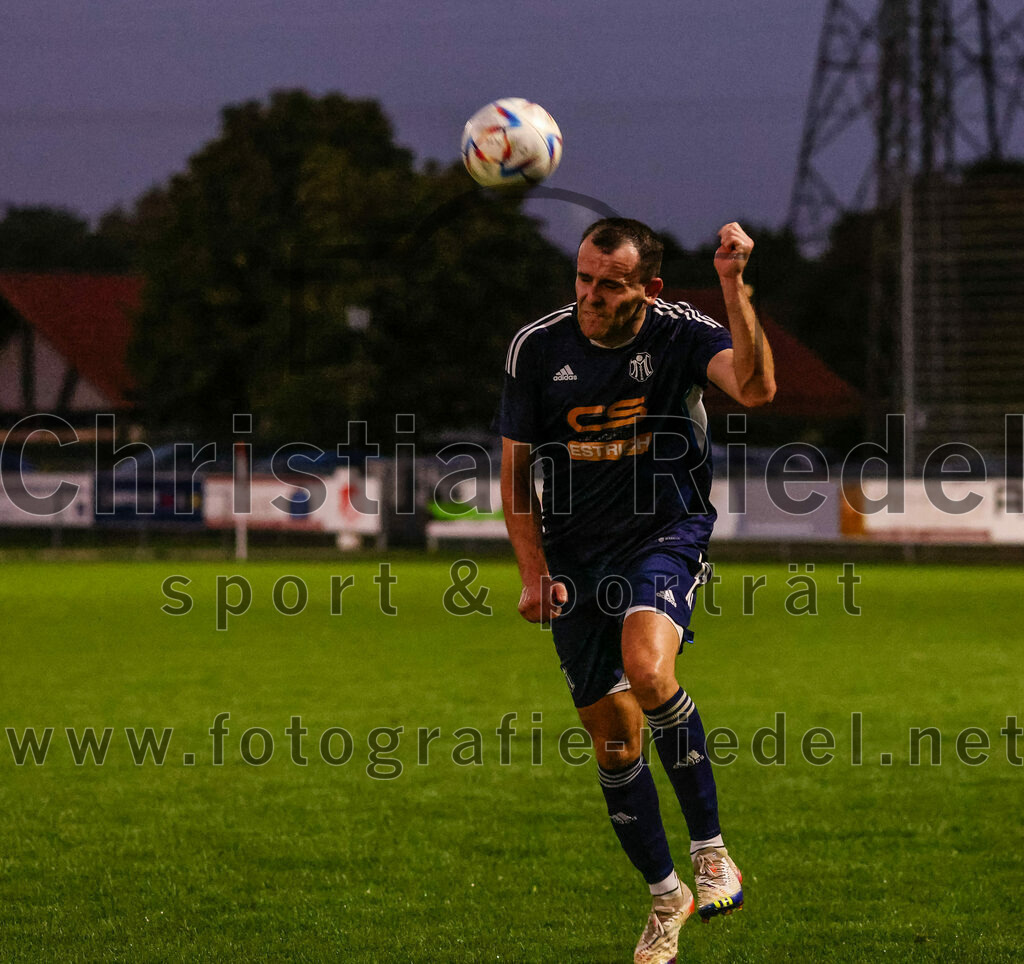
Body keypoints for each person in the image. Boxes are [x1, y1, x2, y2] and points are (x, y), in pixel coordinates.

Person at [498, 217, 775, 964]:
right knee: (614, 740)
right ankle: (666, 896)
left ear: (647, 289)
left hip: (665, 533)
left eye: (608, 284)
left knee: (651, 671)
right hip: (574, 556)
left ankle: (713, 853)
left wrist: (730, 284)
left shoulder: (682, 333)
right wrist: (534, 573)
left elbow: (754, 387)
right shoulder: (538, 347)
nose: (590, 295)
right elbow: (516, 476)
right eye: (583, 278)